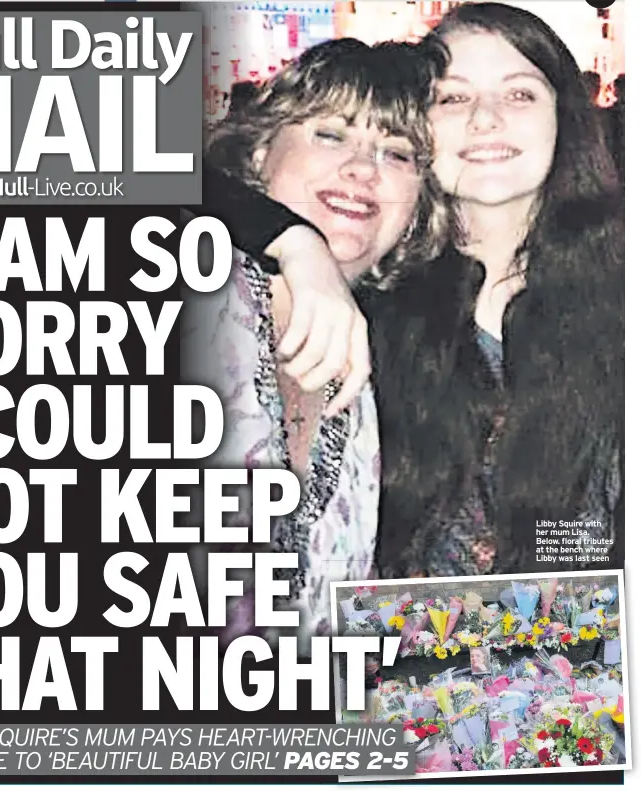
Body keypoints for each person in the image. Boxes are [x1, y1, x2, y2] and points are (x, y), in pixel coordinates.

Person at [199, 2, 623, 579]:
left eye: (520, 93)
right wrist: (294, 241)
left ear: (563, 118)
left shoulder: (620, 300)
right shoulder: (375, 298)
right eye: (453, 97)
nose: (486, 118)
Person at [184, 37, 448, 639]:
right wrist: (292, 239)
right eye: (331, 134)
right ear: (257, 155)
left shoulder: (378, 374)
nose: (363, 168)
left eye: (398, 153)